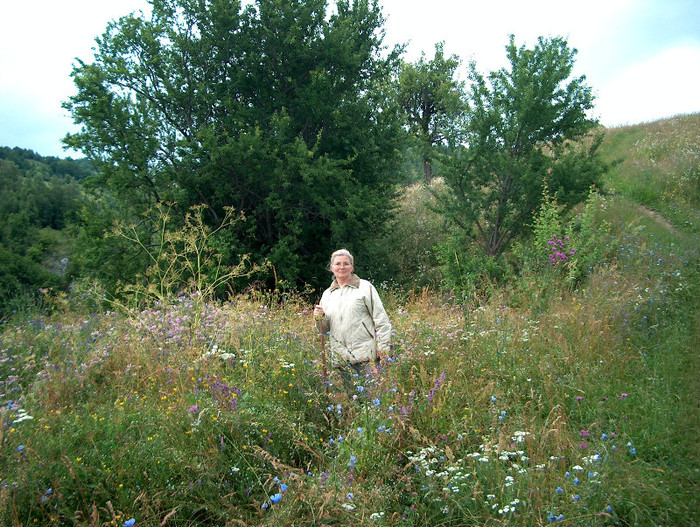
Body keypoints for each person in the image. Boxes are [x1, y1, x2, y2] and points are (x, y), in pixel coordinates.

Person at [314, 249, 392, 394]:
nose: (341, 267)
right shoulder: (327, 294)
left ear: (352, 267)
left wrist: (384, 346)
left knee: (372, 399)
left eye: (346, 263)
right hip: (341, 359)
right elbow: (323, 331)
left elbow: (381, 319)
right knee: (353, 401)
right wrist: (320, 317)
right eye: (337, 264)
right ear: (331, 268)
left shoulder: (365, 287)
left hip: (366, 356)